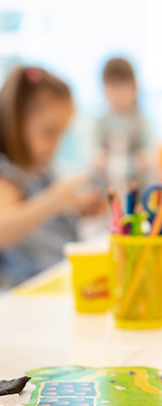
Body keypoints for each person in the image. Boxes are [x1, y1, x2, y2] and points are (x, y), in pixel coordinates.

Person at [0, 67, 98, 289]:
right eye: (49, 132)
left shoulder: (40, 170)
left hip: (55, 284)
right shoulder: (8, 176)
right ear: (17, 121)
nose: (56, 145)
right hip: (25, 295)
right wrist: (51, 202)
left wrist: (76, 208)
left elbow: (45, 225)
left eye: (62, 134)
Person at [94, 57, 150, 192]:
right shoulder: (100, 124)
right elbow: (96, 158)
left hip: (138, 191)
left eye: (123, 86)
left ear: (134, 87)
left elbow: (148, 158)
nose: (118, 94)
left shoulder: (141, 123)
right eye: (113, 87)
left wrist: (126, 164)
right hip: (107, 193)